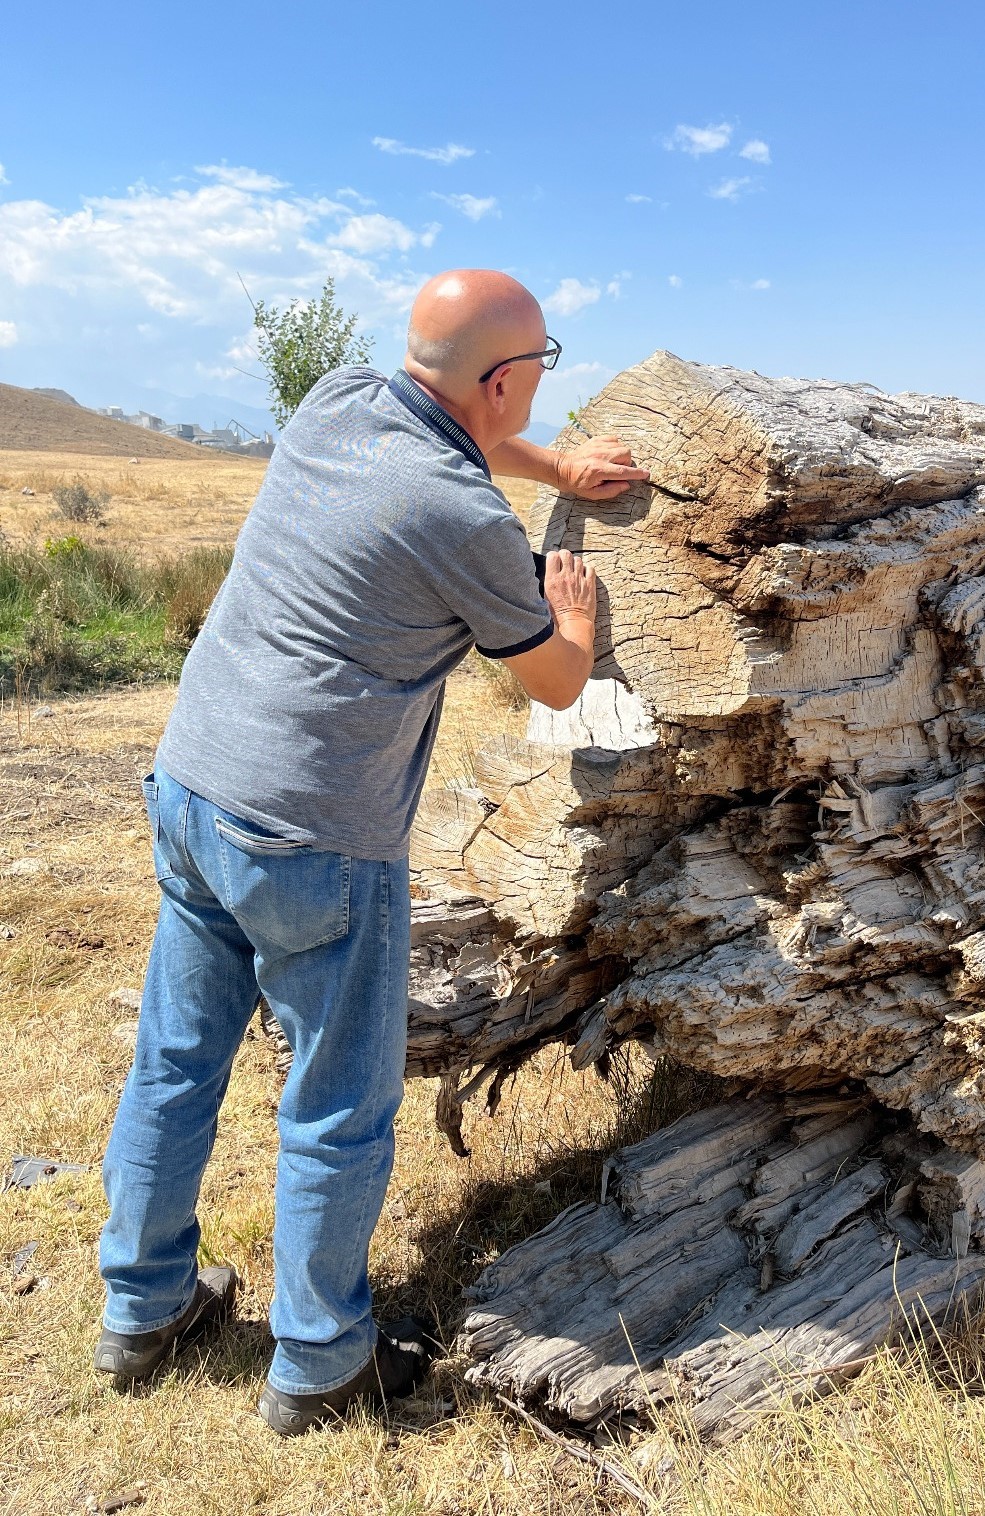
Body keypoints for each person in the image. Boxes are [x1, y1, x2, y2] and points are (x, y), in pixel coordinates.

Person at [93, 269, 650, 1434]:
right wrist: (583, 617)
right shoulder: (463, 522)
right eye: (541, 364)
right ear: (505, 379)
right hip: (313, 836)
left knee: (174, 1060)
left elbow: (454, 437)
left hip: (194, 784)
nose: (546, 381)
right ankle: (320, 1362)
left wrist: (553, 467)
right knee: (337, 1103)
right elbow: (549, 681)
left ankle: (142, 1308)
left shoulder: (340, 398)